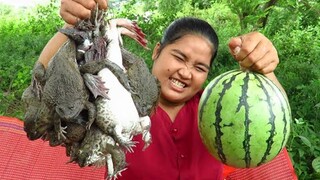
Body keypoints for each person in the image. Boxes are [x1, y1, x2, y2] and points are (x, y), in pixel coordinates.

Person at [37, 0, 289, 179]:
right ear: (157, 51)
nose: (186, 72)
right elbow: (45, 80)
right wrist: (75, 25)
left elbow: (273, 114)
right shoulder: (118, 98)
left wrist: (264, 69)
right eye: (179, 57)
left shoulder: (217, 108)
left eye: (200, 67)